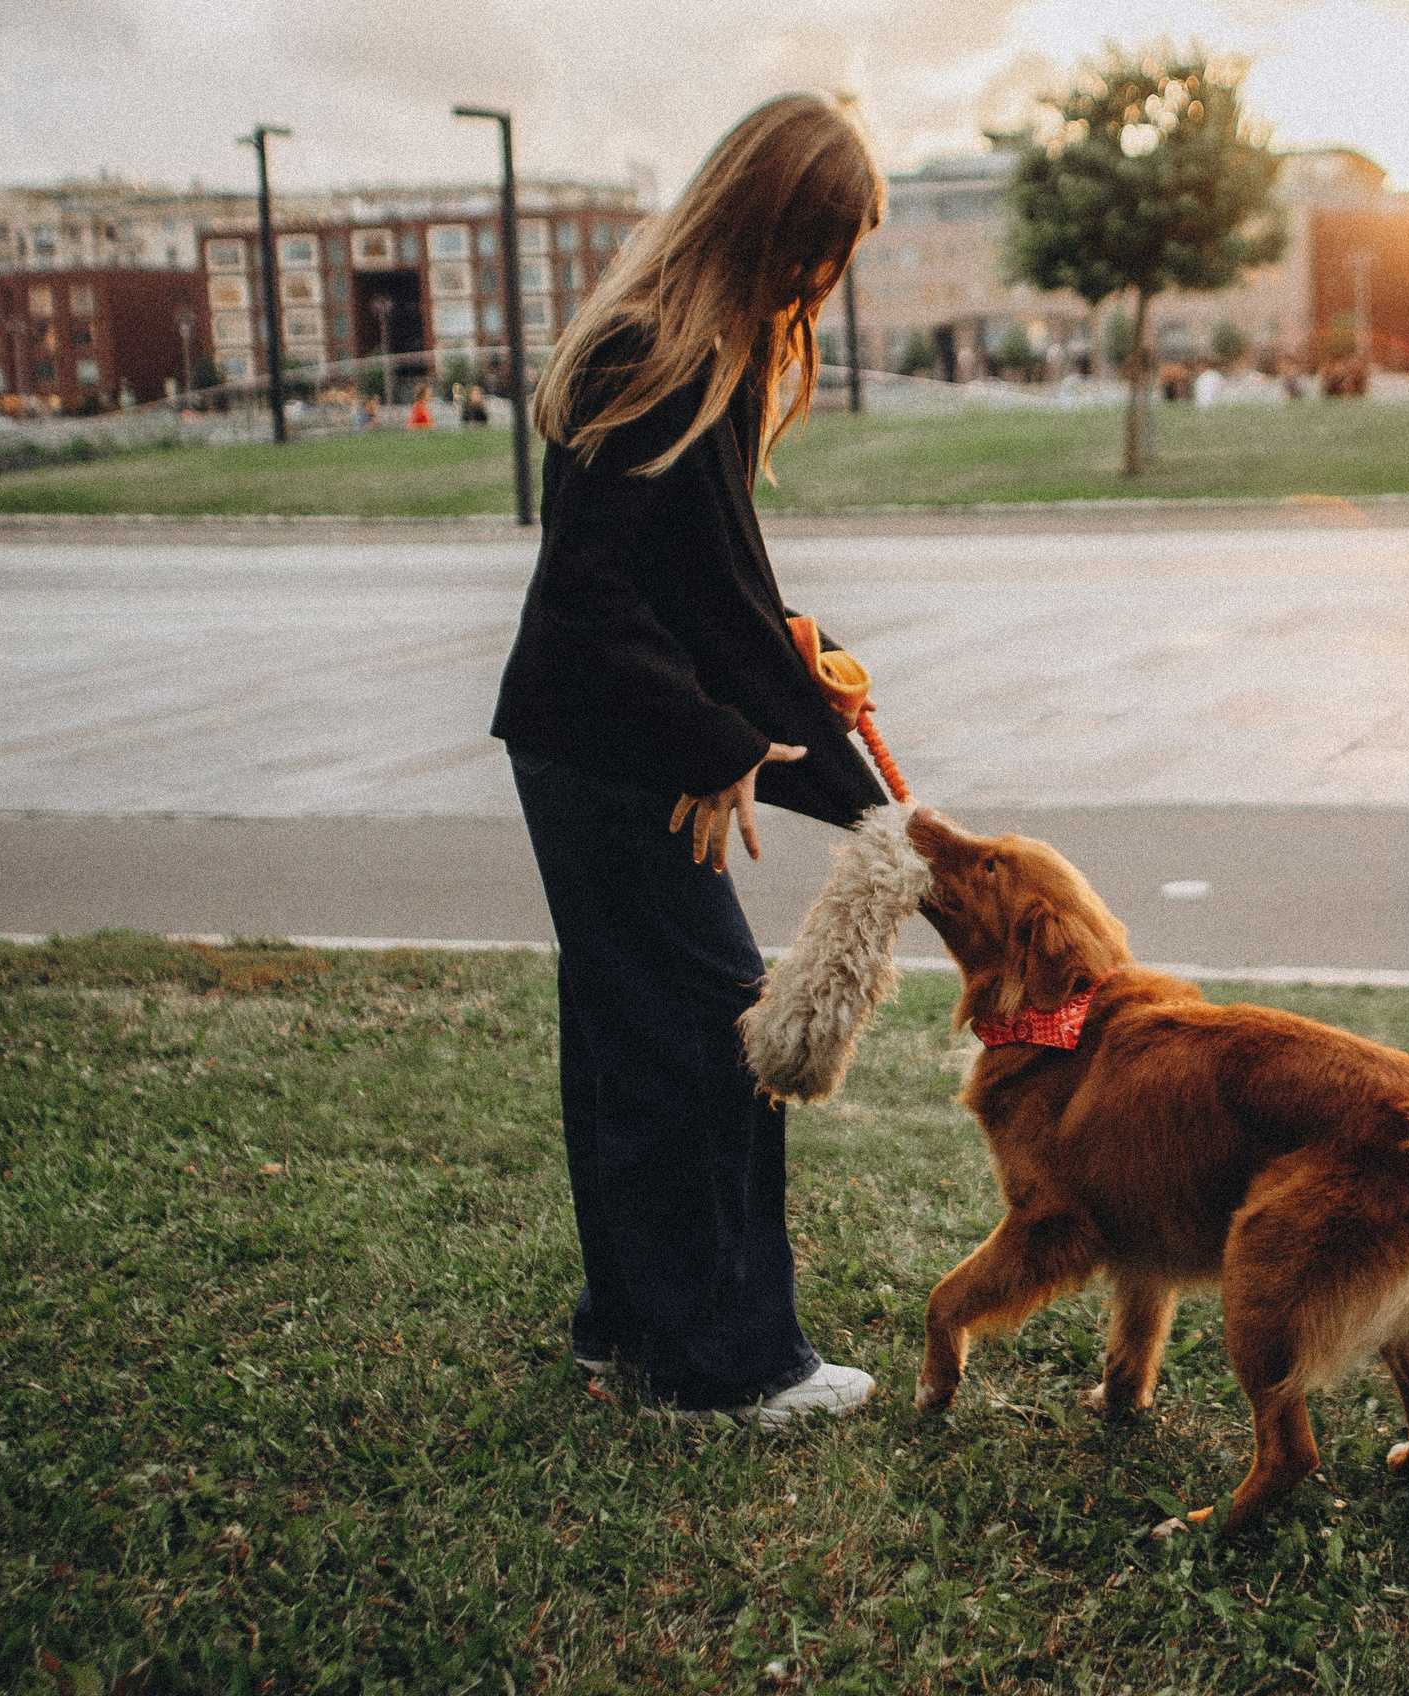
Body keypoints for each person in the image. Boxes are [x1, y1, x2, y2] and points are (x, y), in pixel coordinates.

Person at [489, 94, 889, 1425]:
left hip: (599, 742)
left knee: (625, 1036)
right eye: (819, 248)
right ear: (773, 225)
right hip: (603, 753)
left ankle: (627, 1327)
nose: (820, 282)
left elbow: (700, 591)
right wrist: (720, 745)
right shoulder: (648, 355)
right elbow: (594, 605)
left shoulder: (688, 348)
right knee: (715, 1032)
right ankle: (726, 1366)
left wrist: (813, 723)